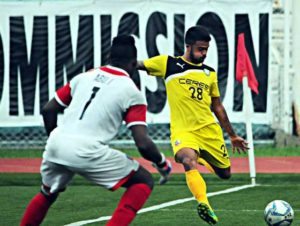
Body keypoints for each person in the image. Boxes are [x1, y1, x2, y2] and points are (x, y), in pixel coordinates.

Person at [20, 35, 171, 226]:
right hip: (87, 150)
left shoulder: (83, 77)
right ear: (134, 64)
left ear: (109, 57)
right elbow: (142, 143)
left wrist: (57, 139)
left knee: (47, 192)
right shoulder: (132, 91)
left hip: (56, 144)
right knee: (143, 180)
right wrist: (162, 163)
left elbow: (49, 109)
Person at [137, 25, 248, 225]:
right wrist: (106, 70)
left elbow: (217, 106)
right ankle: (203, 203)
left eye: (206, 49)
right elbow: (134, 64)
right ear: (188, 46)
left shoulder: (209, 73)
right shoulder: (168, 64)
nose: (204, 53)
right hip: (183, 131)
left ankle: (202, 159)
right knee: (187, 159)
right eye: (200, 49)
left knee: (225, 174)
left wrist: (232, 135)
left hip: (209, 131)